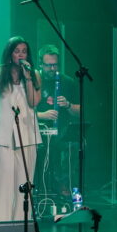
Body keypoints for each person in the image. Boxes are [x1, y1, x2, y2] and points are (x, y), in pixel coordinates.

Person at [0, 37, 41, 222]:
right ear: (10, 54)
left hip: (28, 134)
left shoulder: (34, 75)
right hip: (1, 136)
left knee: (24, 183)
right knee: (1, 184)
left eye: (24, 51)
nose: (21, 54)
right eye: (17, 51)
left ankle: (20, 225)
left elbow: (34, 102)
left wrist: (29, 77)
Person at [35, 44, 80, 197]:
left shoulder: (67, 81)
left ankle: (63, 185)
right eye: (48, 65)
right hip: (38, 131)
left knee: (72, 144)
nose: (52, 69)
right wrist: (42, 115)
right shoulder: (33, 81)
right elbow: (20, 112)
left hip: (61, 132)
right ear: (41, 64)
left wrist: (67, 105)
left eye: (55, 65)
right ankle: (38, 188)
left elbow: (80, 111)